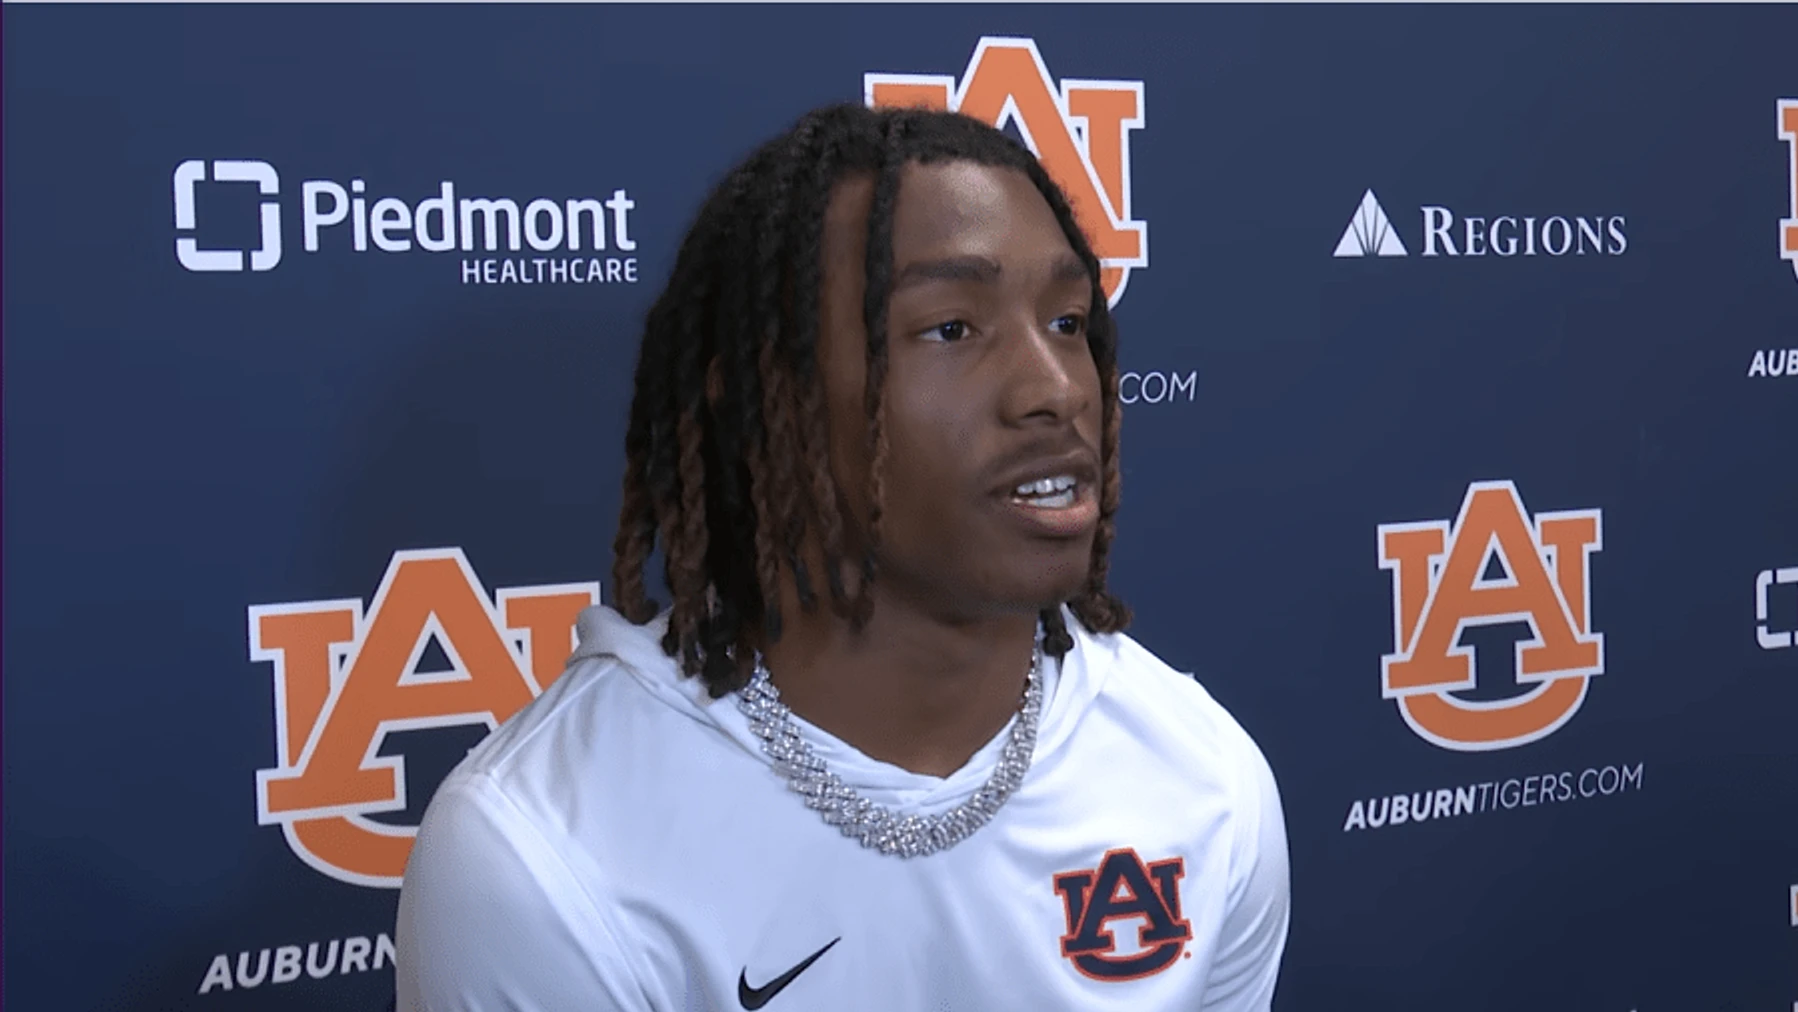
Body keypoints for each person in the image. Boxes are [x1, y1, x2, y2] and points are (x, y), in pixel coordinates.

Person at [395, 102, 1290, 1011]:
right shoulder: (542, 858)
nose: (1057, 389)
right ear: (759, 395)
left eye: (1067, 322)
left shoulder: (1203, 782)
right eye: (952, 328)